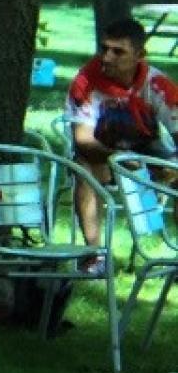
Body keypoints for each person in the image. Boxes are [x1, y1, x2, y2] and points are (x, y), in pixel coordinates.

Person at [67, 17, 178, 265]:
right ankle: (93, 257)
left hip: (150, 154)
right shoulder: (85, 83)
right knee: (83, 168)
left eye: (118, 52)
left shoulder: (158, 85)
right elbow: (83, 139)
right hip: (102, 155)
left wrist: (172, 165)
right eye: (104, 48)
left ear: (140, 54)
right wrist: (115, 159)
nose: (107, 58)